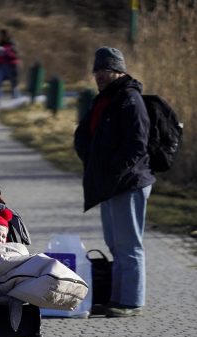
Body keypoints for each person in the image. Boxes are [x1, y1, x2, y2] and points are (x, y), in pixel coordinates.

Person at [74, 47, 155, 318]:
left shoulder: (129, 99)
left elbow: (136, 146)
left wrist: (113, 173)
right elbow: (85, 134)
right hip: (110, 183)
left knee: (129, 245)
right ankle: (117, 299)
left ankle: (131, 301)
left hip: (128, 182)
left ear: (118, 71)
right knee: (115, 244)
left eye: (105, 70)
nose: (99, 75)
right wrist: (92, 161)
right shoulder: (104, 100)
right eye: (96, 71)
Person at [0, 29, 21, 105]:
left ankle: (16, 98)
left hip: (11, 65)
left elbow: (16, 54)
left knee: (14, 83)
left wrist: (5, 50)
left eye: (1, 35)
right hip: (1, 65)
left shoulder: (12, 43)